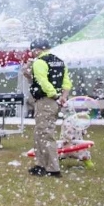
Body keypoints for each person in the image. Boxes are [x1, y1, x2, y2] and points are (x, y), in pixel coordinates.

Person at [26, 40, 72, 178]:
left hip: (46, 100)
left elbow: (43, 82)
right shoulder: (59, 61)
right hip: (55, 102)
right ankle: (40, 165)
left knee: (45, 134)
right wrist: (63, 96)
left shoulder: (39, 62)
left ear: (37, 50)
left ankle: (53, 169)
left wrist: (54, 95)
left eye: (33, 51)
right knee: (40, 132)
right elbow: (67, 82)